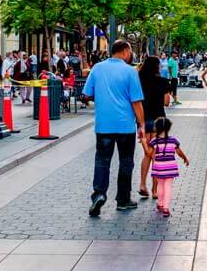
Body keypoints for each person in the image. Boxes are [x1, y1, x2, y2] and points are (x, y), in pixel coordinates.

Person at [81, 40, 146, 215]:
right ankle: (123, 199)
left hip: (103, 125)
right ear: (125, 51)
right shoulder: (130, 72)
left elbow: (86, 94)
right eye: (130, 52)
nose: (130, 55)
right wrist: (142, 124)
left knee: (102, 161)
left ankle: (99, 195)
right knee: (126, 162)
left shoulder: (97, 69)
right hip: (125, 126)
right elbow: (136, 102)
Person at [137, 55, 172, 200]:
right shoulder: (163, 82)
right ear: (157, 67)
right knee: (157, 155)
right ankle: (154, 190)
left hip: (144, 120)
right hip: (159, 120)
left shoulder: (138, 81)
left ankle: (142, 184)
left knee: (148, 154)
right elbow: (166, 102)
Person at [149, 117, 189, 216]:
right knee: (168, 186)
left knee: (160, 185)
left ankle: (160, 204)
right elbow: (179, 152)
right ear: (168, 128)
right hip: (170, 167)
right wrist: (185, 158)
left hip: (159, 167)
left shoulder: (154, 141)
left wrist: (145, 143)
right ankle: (166, 208)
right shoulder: (173, 140)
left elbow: (151, 154)